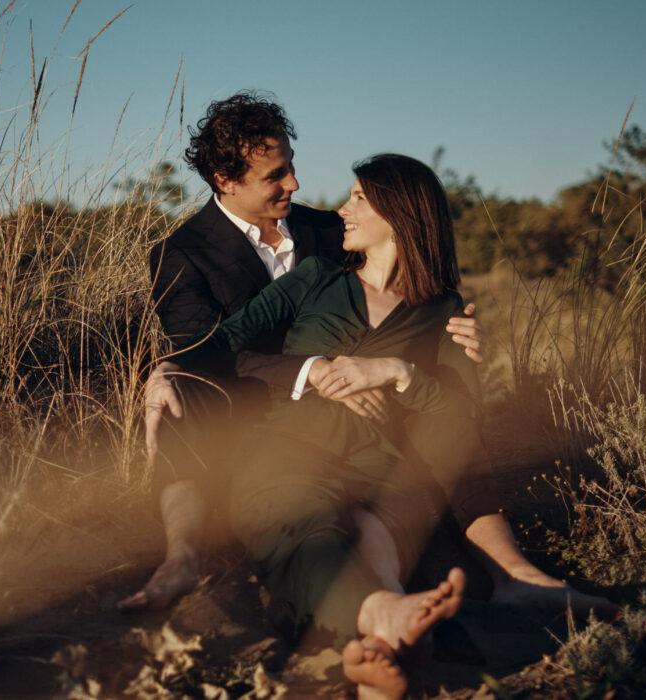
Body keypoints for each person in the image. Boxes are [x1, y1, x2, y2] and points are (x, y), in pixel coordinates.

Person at [121, 93, 600, 627]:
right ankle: (184, 556)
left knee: (441, 419)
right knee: (182, 401)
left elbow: (402, 289)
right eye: (276, 175)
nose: (295, 184)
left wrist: (455, 335)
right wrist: (178, 367)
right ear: (226, 180)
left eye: (293, 166)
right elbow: (208, 351)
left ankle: (507, 573)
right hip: (256, 404)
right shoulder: (181, 254)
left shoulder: (329, 230)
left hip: (365, 406)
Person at [171, 153, 615, 698]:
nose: (342, 209)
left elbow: (461, 418)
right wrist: (167, 374)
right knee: (309, 531)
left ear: (400, 215)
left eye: (359, 199)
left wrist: (399, 372)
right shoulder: (315, 278)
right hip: (288, 455)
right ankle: (387, 623)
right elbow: (218, 348)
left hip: (383, 471)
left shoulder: (443, 310)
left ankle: (379, 647)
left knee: (376, 539)